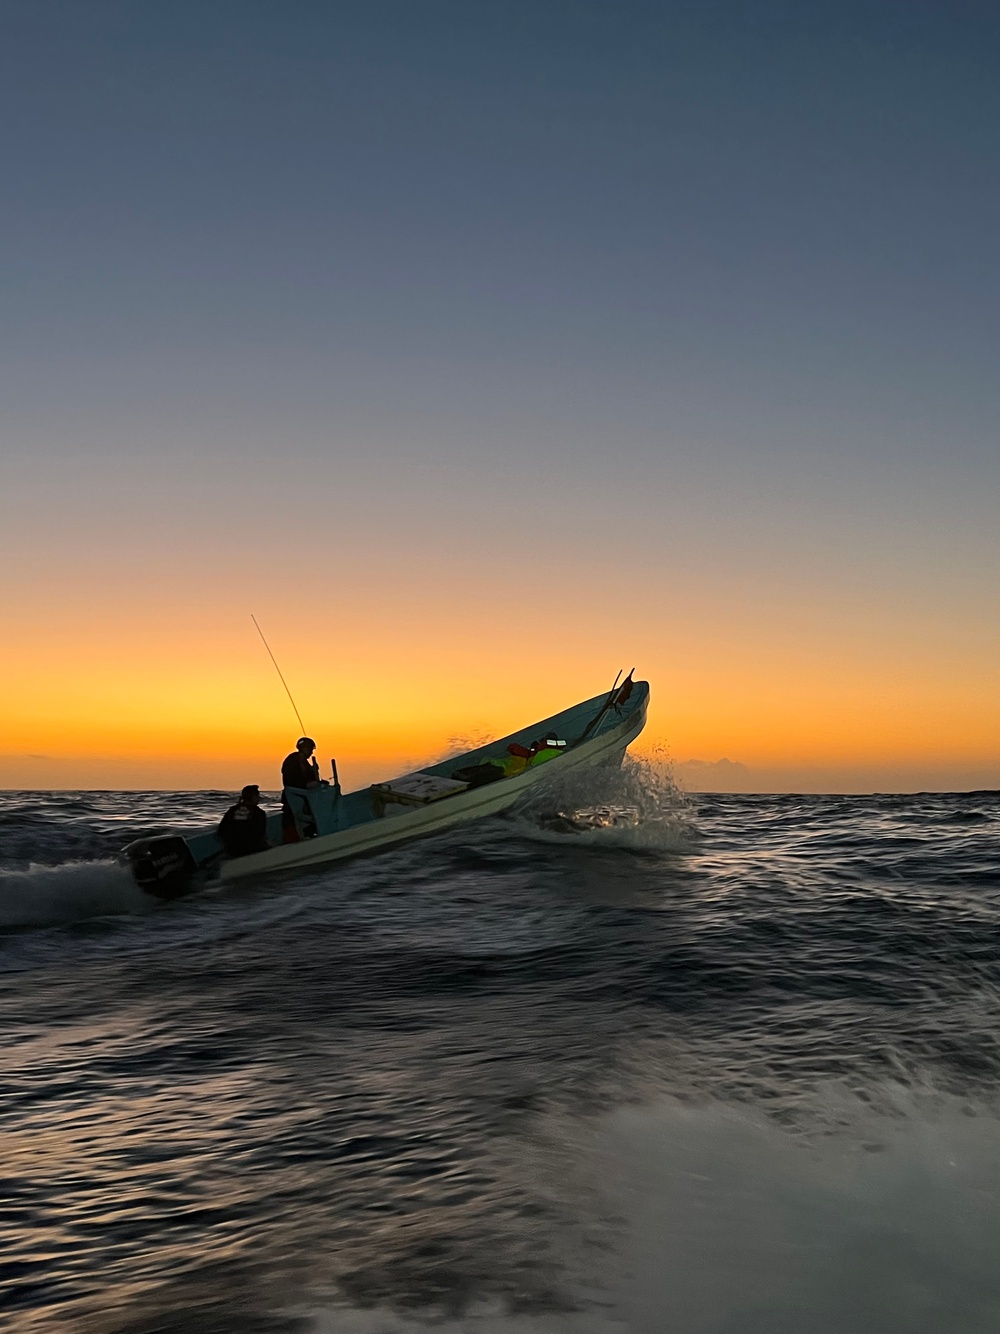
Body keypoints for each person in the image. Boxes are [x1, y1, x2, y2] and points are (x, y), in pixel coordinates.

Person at [280, 737, 323, 842]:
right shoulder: (292, 760)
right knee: (295, 820)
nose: (312, 753)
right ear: (304, 748)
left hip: (305, 798)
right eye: (311, 749)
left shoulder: (304, 762)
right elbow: (293, 781)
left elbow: (311, 779)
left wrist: (314, 773)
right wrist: (308, 784)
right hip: (294, 798)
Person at [217, 784, 270, 858]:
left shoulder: (232, 810)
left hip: (232, 850)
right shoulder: (259, 813)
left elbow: (221, 831)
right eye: (258, 796)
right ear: (254, 797)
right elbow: (260, 834)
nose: (259, 799)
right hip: (251, 850)